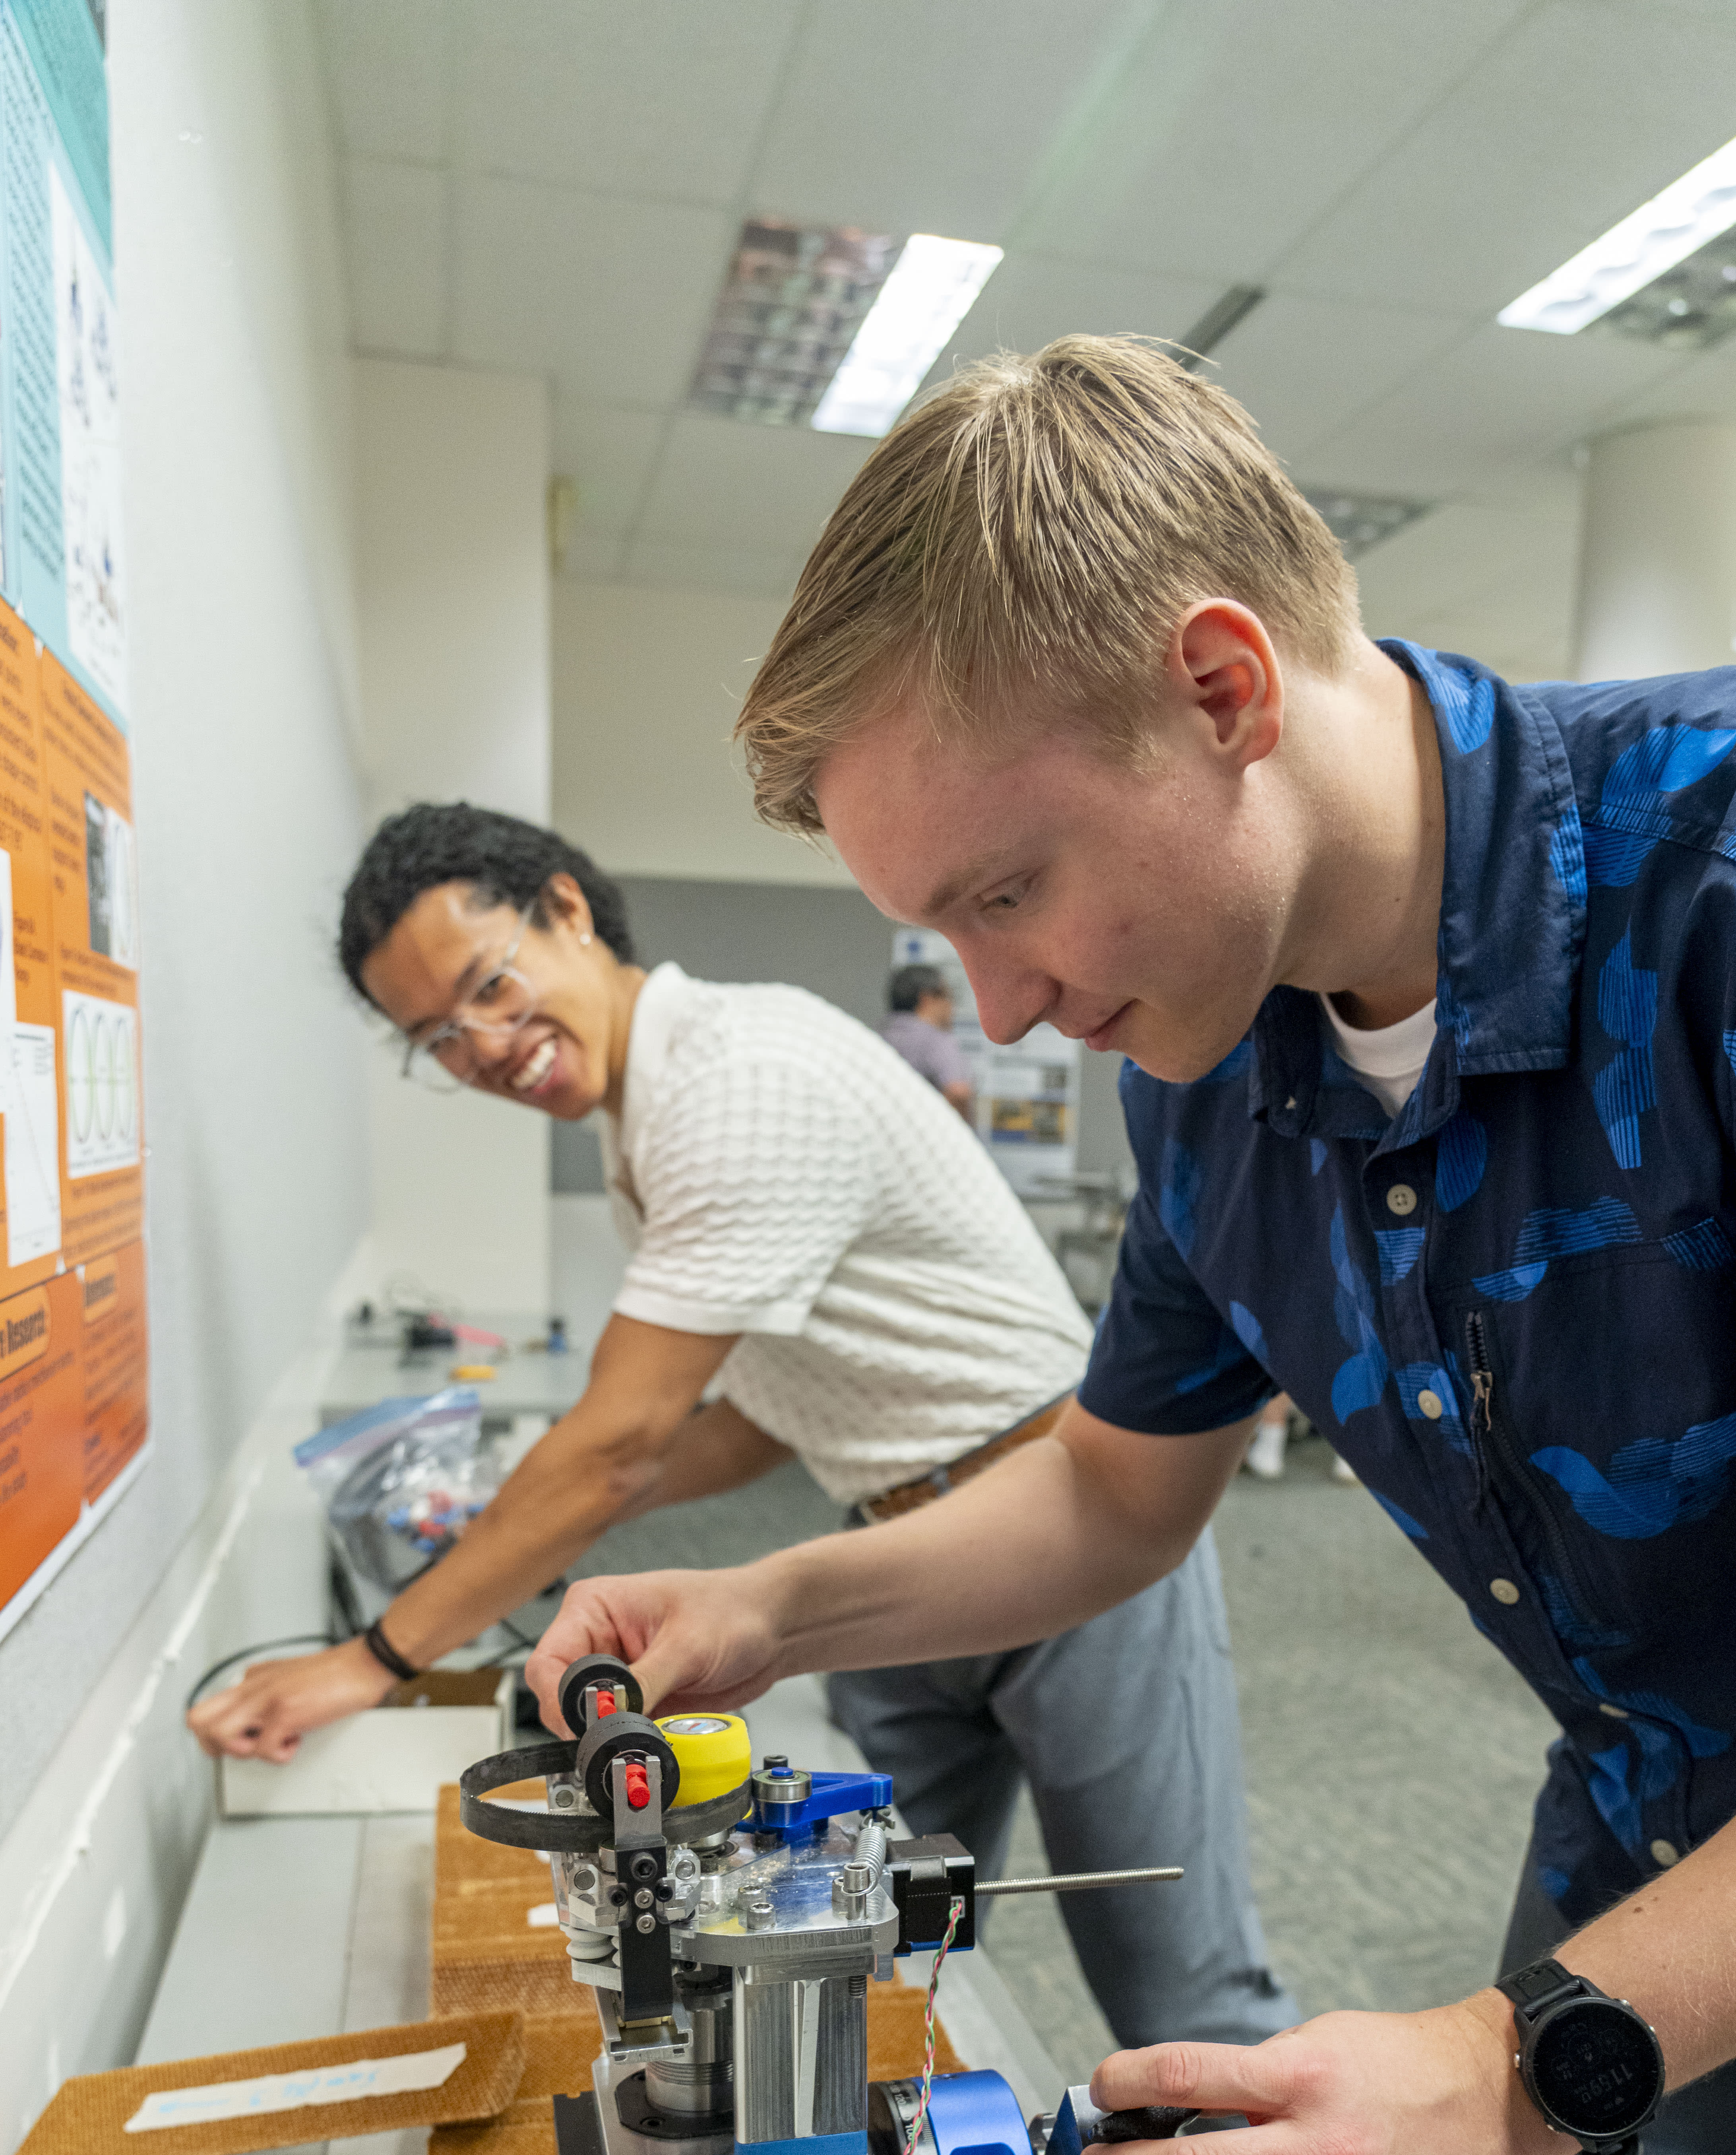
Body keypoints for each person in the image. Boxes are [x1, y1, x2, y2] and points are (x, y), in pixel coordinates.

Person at [525, 337, 1736, 2155]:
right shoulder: (1215, 1074)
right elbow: (1114, 1488)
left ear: (1217, 685)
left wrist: (1505, 2058)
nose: (1001, 1000)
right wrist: (759, 1607)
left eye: (1002, 894)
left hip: (1660, 1949)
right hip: (1677, 1879)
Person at [187, 800, 1292, 2054]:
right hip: (888, 1552)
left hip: (1065, 1531)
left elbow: (623, 1442)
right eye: (437, 1037)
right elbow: (760, 1413)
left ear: (564, 908)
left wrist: (371, 1661)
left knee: (1181, 1994)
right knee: (851, 1956)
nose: (484, 1044)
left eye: (489, 987)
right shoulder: (643, 1122)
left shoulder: (737, 1079)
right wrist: (515, 1519)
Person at [881, 960, 974, 1120]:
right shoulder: (936, 1039)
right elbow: (959, 1093)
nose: (951, 1006)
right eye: (948, 997)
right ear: (927, 999)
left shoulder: (878, 1034)